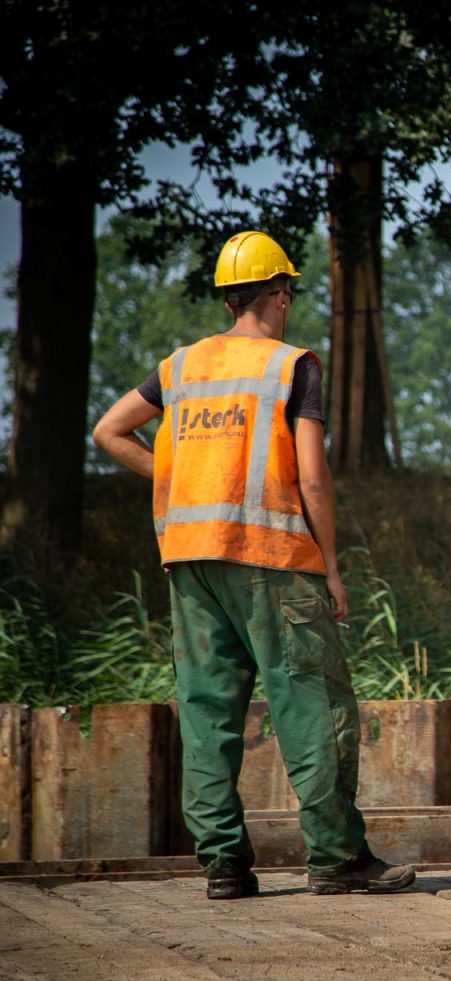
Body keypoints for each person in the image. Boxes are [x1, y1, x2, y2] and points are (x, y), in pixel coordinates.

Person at [92, 231, 416, 900]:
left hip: (190, 560)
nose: (290, 302)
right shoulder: (291, 365)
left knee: (208, 713)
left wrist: (177, 483)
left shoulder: (180, 365)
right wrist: (330, 568)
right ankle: (336, 858)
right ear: (276, 294)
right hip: (272, 560)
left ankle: (224, 867)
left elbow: (109, 431)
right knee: (312, 706)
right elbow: (314, 477)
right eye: (288, 291)